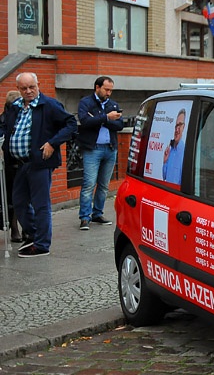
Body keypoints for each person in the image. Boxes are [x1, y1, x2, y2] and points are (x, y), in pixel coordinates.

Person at [0, 72, 77, 257]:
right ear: (18, 89)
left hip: (40, 162)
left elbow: (71, 124)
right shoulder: (15, 107)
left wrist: (53, 142)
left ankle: (42, 244)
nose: (28, 91)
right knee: (18, 202)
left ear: (38, 85)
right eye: (24, 88)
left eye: (31, 87)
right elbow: (4, 125)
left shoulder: (49, 105)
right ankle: (34, 234)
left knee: (41, 204)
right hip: (19, 163)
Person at [76, 76, 124, 230]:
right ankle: (84, 217)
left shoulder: (113, 104)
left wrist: (102, 119)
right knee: (89, 184)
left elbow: (120, 125)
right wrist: (106, 118)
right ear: (97, 88)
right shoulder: (86, 103)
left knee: (103, 185)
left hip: (110, 149)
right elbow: (84, 121)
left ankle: (97, 213)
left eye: (111, 90)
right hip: (93, 149)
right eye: (106, 89)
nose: (109, 93)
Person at [1, 90, 23, 241]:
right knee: (12, 198)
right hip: (9, 165)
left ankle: (25, 229)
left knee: (22, 198)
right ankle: (14, 229)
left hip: (22, 163)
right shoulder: (4, 119)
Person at [162, 109, 186, 185]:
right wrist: (165, 161)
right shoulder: (171, 150)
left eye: (180, 125)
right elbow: (164, 176)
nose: (177, 129)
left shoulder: (185, 152)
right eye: (176, 126)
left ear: (183, 127)